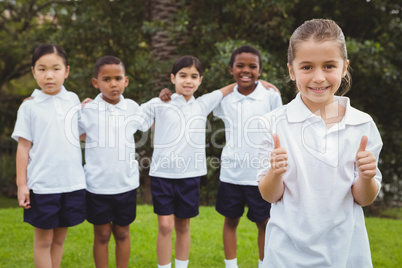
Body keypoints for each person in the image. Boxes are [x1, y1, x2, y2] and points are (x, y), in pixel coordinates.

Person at [257, 19, 382, 267]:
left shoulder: (362, 124)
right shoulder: (272, 124)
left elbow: (363, 199)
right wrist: (275, 172)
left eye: (328, 66)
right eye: (306, 67)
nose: (318, 77)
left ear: (344, 67)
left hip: (345, 253)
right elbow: (270, 195)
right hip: (286, 254)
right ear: (292, 71)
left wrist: (367, 177)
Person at [138, 55, 235, 268]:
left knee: (183, 226)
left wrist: (259, 83)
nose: (188, 81)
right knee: (165, 226)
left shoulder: (202, 104)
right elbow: (133, 117)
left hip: (190, 178)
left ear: (200, 80)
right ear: (173, 78)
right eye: (182, 75)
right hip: (162, 176)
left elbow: (228, 88)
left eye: (193, 76)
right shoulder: (159, 103)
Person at [12, 44, 86, 267]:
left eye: (55, 68)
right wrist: (21, 185)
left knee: (60, 239)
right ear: (34, 72)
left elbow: (82, 133)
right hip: (43, 185)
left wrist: (93, 107)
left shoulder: (73, 100)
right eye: (42, 69)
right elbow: (23, 148)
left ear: (66, 71)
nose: (49, 75)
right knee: (44, 240)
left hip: (72, 183)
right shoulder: (29, 107)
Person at [212, 45, 282, 268]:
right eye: (239, 66)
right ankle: (230, 265)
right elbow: (199, 103)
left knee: (264, 222)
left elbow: (279, 128)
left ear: (260, 71)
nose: (246, 70)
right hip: (232, 173)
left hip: (261, 173)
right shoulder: (224, 99)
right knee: (231, 220)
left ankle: (264, 264)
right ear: (231, 69)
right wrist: (233, 85)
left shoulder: (270, 95)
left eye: (252, 67)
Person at [79, 56, 143, 268]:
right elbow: (75, 132)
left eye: (118, 78)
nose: (113, 83)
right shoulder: (87, 110)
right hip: (97, 185)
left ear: (126, 81)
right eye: (106, 79)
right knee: (103, 234)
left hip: (126, 184)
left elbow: (154, 119)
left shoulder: (133, 108)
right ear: (96, 83)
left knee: (123, 232)